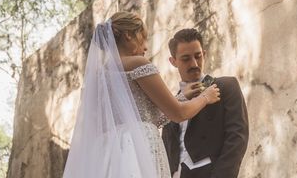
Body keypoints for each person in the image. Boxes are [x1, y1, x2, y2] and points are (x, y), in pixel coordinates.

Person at [63, 12, 221, 178]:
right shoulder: (137, 63)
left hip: (110, 155)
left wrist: (182, 96)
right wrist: (205, 97)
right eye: (143, 37)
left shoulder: (98, 78)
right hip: (139, 150)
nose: (146, 46)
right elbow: (178, 114)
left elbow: (147, 118)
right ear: (128, 36)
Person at [161, 29, 249, 178]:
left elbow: (237, 139)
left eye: (198, 56)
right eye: (185, 59)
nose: (194, 63)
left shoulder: (226, 86)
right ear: (173, 61)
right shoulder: (172, 104)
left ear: (205, 54)